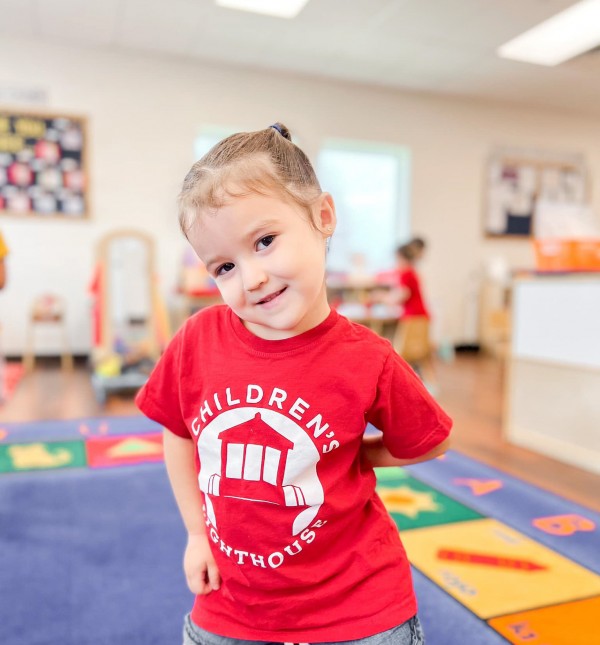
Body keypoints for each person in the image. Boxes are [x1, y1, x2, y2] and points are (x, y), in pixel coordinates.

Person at [136, 123, 452, 645]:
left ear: (322, 217)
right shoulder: (197, 339)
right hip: (232, 605)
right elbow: (179, 431)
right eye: (224, 266)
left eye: (265, 241)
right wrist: (196, 533)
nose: (252, 278)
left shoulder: (367, 357)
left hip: (358, 607)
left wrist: (358, 455)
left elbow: (430, 440)